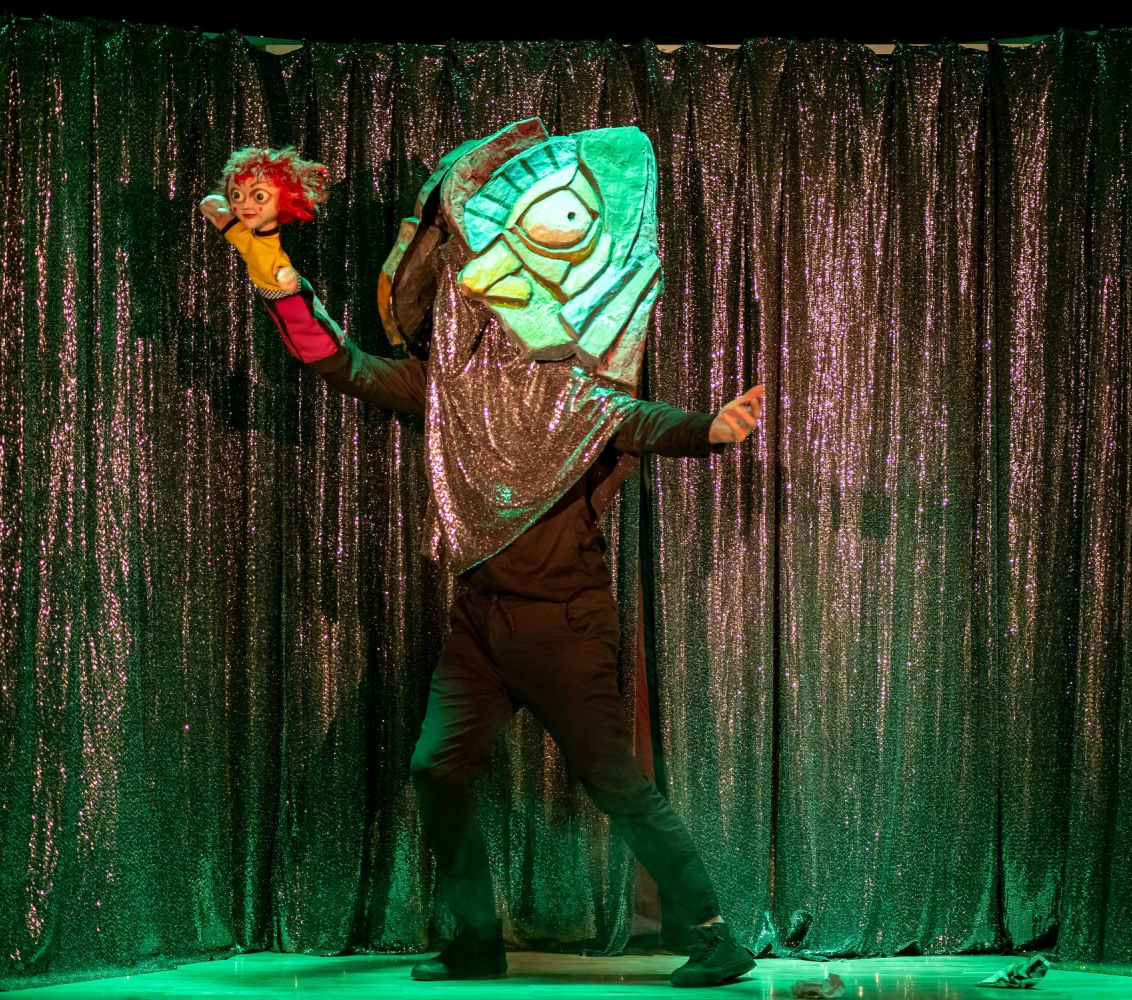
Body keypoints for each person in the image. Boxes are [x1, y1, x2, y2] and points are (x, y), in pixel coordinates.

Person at [201, 132, 764, 989]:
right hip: (479, 624)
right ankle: (475, 938)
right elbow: (336, 362)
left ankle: (716, 935)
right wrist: (270, 265)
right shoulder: (444, 390)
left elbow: (646, 422)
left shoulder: (576, 392)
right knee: (436, 767)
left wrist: (713, 431)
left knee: (614, 783)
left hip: (566, 626)